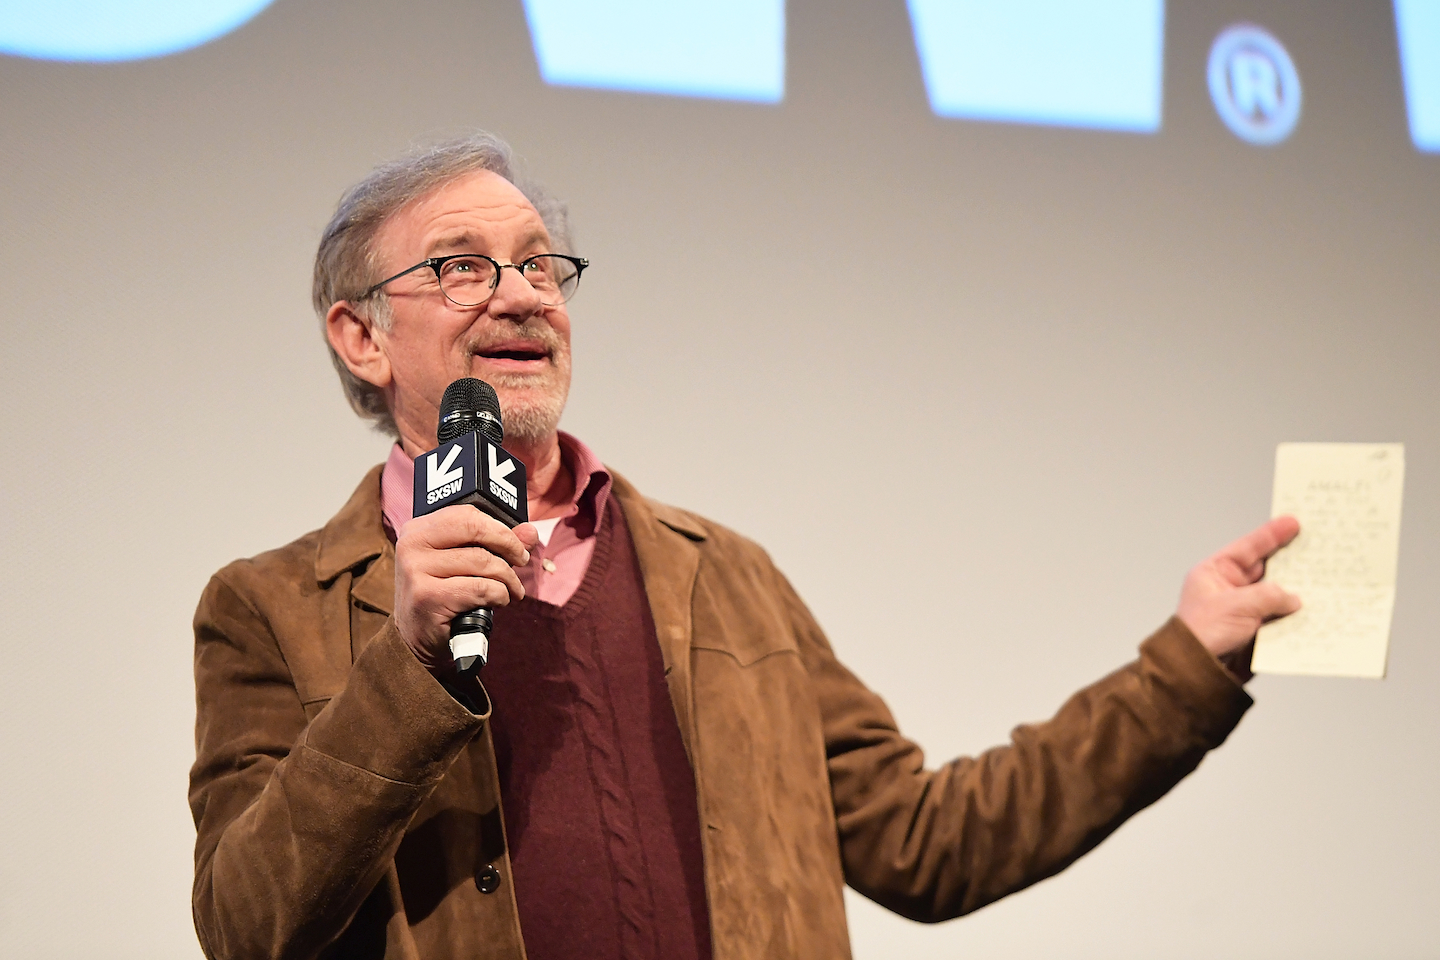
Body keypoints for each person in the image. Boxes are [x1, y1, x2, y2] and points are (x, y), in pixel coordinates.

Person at [188, 132, 1301, 960]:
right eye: (462, 267)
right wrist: (411, 663)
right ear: (361, 335)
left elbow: (930, 841)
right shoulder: (272, 607)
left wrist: (1188, 661)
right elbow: (247, 924)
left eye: (539, 264)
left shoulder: (722, 578)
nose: (522, 294)